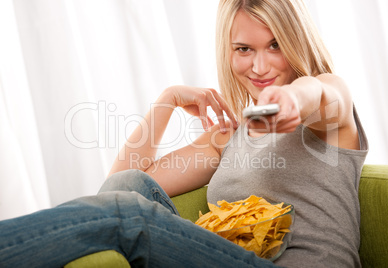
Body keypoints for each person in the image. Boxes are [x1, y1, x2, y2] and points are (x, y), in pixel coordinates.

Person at [0, 0, 368, 267]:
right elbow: (114, 190)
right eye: (244, 49)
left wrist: (289, 98)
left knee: (128, 215)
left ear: (296, 40)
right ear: (228, 53)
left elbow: (321, 96)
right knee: (129, 188)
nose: (259, 65)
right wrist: (167, 101)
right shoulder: (227, 137)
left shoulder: (329, 116)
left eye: (275, 45)